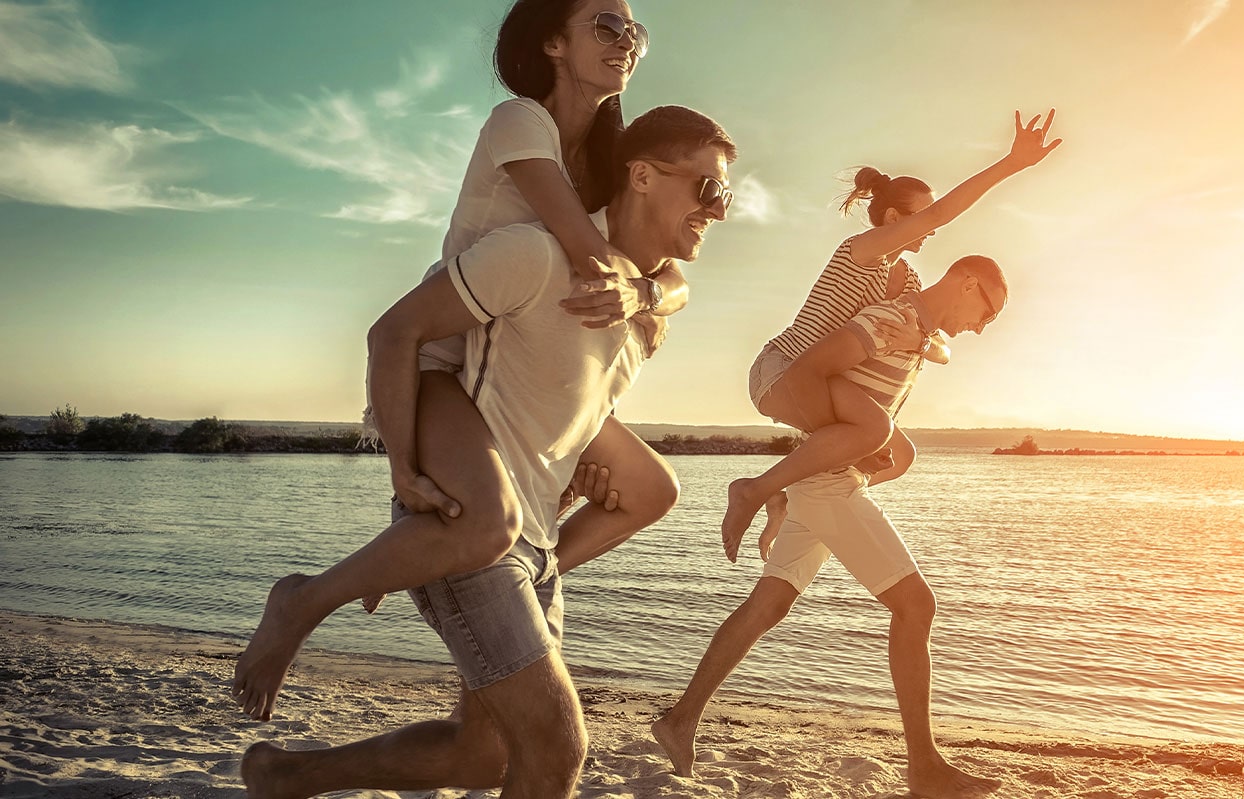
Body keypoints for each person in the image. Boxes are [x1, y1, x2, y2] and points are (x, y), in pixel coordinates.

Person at [240, 104, 738, 798]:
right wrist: (404, 478)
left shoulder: (648, 314)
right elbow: (396, 335)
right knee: (557, 746)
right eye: (708, 188)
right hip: (471, 531)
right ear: (645, 176)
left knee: (481, 757)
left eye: (728, 195)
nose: (718, 209)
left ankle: (286, 774)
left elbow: (570, 408)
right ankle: (304, 601)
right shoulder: (533, 256)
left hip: (536, 551)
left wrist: (572, 478)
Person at [233, 0, 686, 722]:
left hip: (508, 360)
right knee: (484, 525)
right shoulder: (521, 122)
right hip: (436, 360)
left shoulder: (605, 156)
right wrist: (402, 473)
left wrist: (654, 291)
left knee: (651, 489)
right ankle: (304, 598)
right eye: (605, 24)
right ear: (554, 44)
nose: (625, 41)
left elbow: (667, 275)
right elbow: (584, 247)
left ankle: (518, 570)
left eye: (634, 30)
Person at [654, 256, 1011, 799]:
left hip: (825, 481)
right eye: (988, 311)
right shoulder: (884, 321)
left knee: (766, 606)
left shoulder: (916, 330)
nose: (984, 326)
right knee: (916, 607)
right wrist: (838, 447)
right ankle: (925, 768)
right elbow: (802, 375)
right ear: (968, 283)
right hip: (829, 486)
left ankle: (679, 720)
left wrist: (921, 349)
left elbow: (937, 344)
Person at [719, 110, 1061, 552]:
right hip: (784, 370)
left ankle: (789, 497)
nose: (931, 229)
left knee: (899, 457)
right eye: (921, 218)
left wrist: (920, 341)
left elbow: (940, 347)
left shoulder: (912, 282)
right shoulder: (861, 252)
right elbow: (940, 215)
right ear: (894, 218)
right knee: (871, 436)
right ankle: (757, 489)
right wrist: (1011, 163)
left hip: (826, 382)